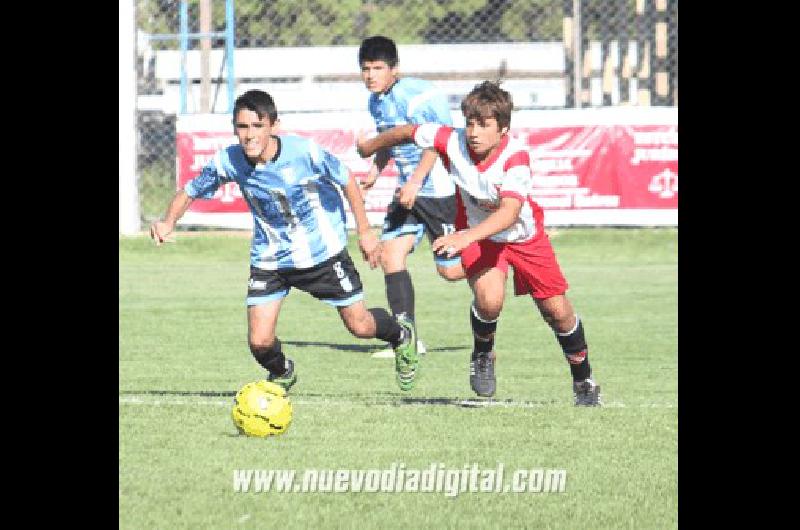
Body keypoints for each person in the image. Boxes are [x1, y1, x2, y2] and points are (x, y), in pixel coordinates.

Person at [150, 89, 420, 392]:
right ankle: (283, 372)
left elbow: (346, 180)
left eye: (257, 126)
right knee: (259, 342)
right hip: (270, 259)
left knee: (360, 326)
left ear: (273, 126)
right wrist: (167, 222)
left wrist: (366, 232)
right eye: (242, 127)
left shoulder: (304, 152)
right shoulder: (229, 160)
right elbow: (191, 190)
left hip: (322, 254)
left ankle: (400, 335)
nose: (249, 135)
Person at [356, 81, 602, 406]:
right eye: (470, 122)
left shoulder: (516, 158)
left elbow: (510, 212)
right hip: (479, 236)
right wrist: (371, 146)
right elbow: (407, 132)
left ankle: (583, 381)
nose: (474, 132)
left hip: (522, 237)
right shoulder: (451, 139)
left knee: (557, 312)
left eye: (484, 125)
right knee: (489, 300)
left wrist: (465, 237)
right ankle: (483, 354)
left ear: (503, 129)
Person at [357, 35, 465, 359]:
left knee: (449, 271)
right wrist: (375, 174)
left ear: (395, 68)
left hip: (436, 191)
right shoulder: (375, 101)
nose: (371, 75)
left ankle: (493, 257)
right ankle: (407, 339)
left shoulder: (418, 96)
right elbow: (389, 143)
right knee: (391, 257)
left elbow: (437, 142)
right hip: (408, 192)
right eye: (365, 69)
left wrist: (417, 181)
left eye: (378, 68)